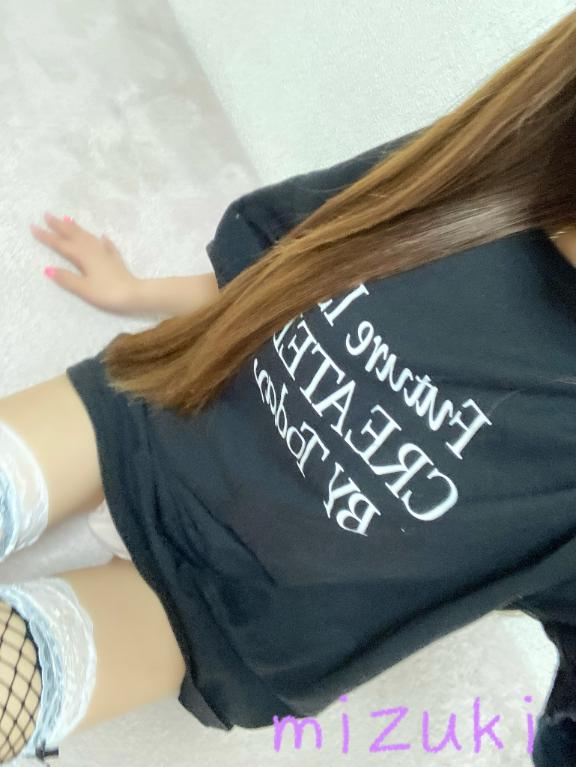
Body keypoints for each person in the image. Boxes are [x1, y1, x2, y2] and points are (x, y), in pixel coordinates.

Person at [2, 8, 576, 767]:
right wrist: (139, 292)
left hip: (231, 601)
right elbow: (290, 262)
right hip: (167, 403)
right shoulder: (483, 171)